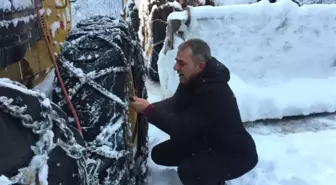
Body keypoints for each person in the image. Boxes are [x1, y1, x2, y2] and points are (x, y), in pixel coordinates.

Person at [130, 39, 258, 185]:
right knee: (160, 154)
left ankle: (213, 177)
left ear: (200, 66)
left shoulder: (215, 92)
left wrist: (148, 111)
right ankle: (205, 166)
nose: (175, 67)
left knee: (189, 171)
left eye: (182, 63)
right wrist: (146, 107)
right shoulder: (191, 80)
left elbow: (181, 128)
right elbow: (174, 104)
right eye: (177, 61)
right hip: (207, 141)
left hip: (234, 153)